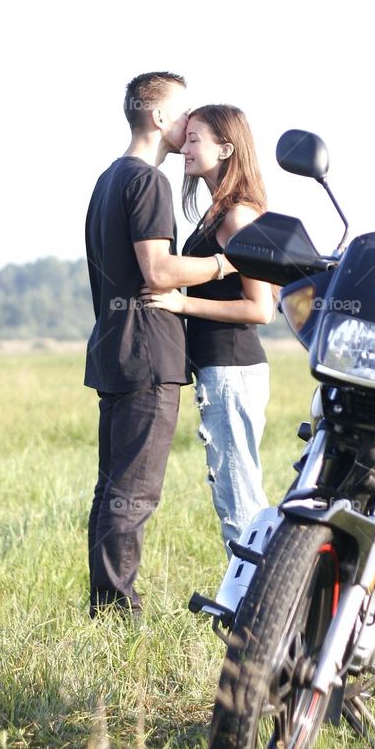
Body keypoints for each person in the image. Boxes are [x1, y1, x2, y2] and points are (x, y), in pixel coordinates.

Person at [84, 73, 239, 618]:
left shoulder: (108, 179)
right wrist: (225, 262)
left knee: (113, 491)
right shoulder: (149, 183)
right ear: (157, 119)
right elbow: (158, 271)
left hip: (113, 351)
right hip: (147, 353)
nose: (187, 125)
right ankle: (117, 612)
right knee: (134, 494)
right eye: (181, 114)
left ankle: (104, 607)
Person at [143, 105, 274, 552]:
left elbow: (261, 308)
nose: (185, 147)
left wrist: (182, 302)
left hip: (232, 370)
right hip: (221, 372)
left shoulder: (237, 217)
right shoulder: (217, 213)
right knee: (233, 491)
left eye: (195, 138)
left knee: (239, 498)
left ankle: (256, 610)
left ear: (226, 148)